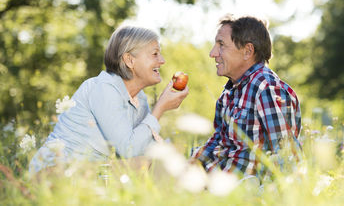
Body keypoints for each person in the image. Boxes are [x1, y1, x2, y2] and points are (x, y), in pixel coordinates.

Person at [30, 26, 189, 173]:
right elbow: (128, 149)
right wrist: (160, 108)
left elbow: (145, 147)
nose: (162, 60)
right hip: (56, 171)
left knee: (160, 164)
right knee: (147, 166)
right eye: (155, 54)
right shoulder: (104, 88)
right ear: (129, 60)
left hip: (91, 171)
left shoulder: (139, 99)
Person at [191, 15, 301, 180]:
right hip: (219, 183)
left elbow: (286, 153)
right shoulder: (229, 93)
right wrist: (192, 164)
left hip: (247, 192)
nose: (212, 53)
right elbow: (219, 141)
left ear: (247, 51)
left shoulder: (265, 88)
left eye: (221, 45)